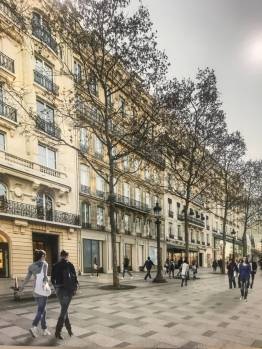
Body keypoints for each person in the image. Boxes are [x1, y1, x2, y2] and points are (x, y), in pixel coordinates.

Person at [20, 249, 51, 338]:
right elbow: (45, 278)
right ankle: (34, 326)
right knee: (41, 310)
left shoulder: (31, 266)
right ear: (42, 256)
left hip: (35, 290)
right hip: (42, 289)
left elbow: (27, 278)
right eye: (45, 256)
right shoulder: (45, 264)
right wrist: (48, 280)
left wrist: (22, 288)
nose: (45, 257)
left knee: (43, 310)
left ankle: (44, 329)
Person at [51, 250, 78, 340]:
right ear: (67, 256)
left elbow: (52, 279)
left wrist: (56, 288)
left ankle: (69, 329)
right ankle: (57, 332)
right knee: (64, 310)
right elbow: (75, 278)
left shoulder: (55, 265)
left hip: (58, 289)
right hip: (68, 290)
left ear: (60, 256)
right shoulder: (69, 264)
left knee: (64, 309)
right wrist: (75, 288)